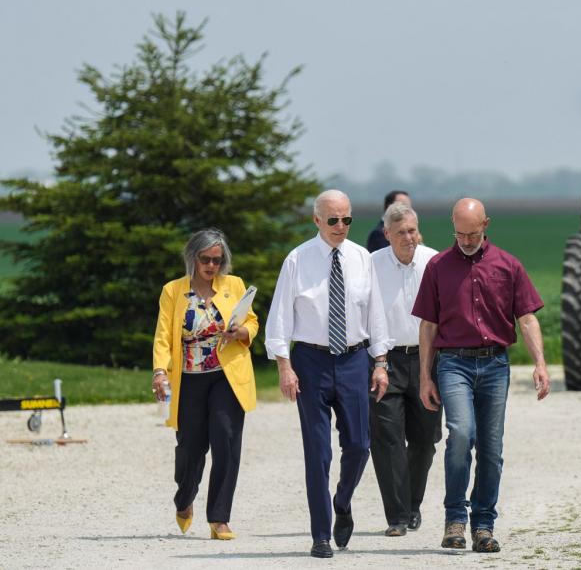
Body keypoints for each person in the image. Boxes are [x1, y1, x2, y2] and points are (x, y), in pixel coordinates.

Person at [414, 198, 551, 554]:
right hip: (453, 363)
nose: (466, 240)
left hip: (494, 365)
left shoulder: (508, 265)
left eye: (472, 234)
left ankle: (484, 526)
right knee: (460, 433)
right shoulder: (438, 266)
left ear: (486, 224)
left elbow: (528, 318)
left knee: (491, 449)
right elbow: (428, 325)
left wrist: (540, 362)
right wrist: (424, 377)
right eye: (459, 233)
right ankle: (455, 520)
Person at [264, 189, 393, 559]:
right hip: (310, 362)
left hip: (354, 361)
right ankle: (320, 534)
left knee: (359, 445)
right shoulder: (297, 260)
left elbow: (375, 313)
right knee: (318, 452)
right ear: (317, 220)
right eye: (333, 220)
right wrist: (284, 366)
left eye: (346, 219)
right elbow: (280, 318)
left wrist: (380, 363)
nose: (340, 226)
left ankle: (343, 500)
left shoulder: (361, 258)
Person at [151, 228, 258, 541]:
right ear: (192, 258)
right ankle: (184, 499)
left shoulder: (234, 285)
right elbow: (162, 335)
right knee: (191, 449)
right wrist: (160, 371)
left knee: (226, 441)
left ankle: (219, 518)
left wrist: (243, 332)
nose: (212, 266)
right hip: (189, 379)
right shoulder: (173, 291)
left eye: (217, 260)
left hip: (227, 375)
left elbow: (251, 320)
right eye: (206, 259)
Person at [368, 201, 442, 536]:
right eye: (401, 233)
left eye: (412, 230)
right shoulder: (371, 266)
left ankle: (412, 504)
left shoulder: (435, 261)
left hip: (429, 360)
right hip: (384, 361)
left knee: (425, 440)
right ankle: (397, 516)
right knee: (387, 439)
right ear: (387, 235)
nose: (409, 237)